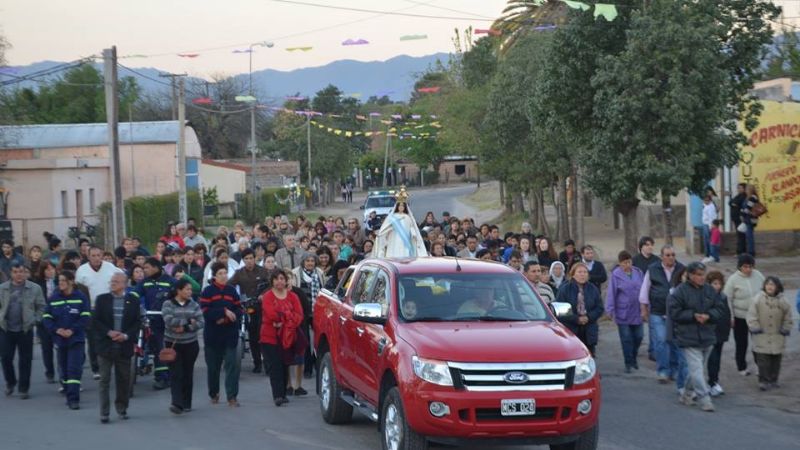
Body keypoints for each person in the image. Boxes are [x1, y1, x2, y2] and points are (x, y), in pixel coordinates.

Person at [668, 262, 723, 412]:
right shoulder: (680, 292)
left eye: (703, 274)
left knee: (696, 371)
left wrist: (709, 316)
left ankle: (686, 394)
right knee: (697, 371)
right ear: (690, 275)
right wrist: (693, 316)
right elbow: (674, 312)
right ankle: (705, 399)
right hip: (689, 337)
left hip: (707, 336)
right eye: (698, 274)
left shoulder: (710, 291)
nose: (701, 277)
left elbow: (719, 309)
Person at [92, 273, 141, 423]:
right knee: (104, 380)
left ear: (124, 284)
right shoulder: (102, 299)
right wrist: (108, 332)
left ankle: (121, 408)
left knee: (123, 379)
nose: (112, 283)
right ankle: (104, 412)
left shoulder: (133, 301)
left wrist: (126, 336)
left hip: (124, 345)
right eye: (111, 281)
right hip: (106, 345)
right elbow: (95, 321)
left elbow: (137, 323)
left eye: (115, 281)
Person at [43, 270, 91, 409]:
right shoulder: (54, 298)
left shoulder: (80, 297)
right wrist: (57, 330)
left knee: (73, 369)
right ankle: (66, 387)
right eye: (59, 281)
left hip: (76, 340)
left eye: (63, 280)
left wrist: (72, 330)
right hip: (60, 340)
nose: (61, 283)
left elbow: (86, 316)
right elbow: (46, 317)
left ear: (71, 281)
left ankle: (73, 399)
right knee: (63, 369)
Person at [639, 245, 685, 383]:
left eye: (673, 255)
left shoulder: (682, 269)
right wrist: (643, 309)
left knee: (675, 342)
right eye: (668, 255)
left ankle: (675, 370)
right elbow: (644, 290)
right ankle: (663, 371)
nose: (671, 257)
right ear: (662, 256)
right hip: (658, 312)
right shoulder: (653, 269)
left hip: (676, 313)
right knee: (661, 340)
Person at [76, 246, 124, 379]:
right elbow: (79, 292)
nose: (96, 258)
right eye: (93, 256)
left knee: (112, 336)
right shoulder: (82, 271)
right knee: (93, 339)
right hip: (91, 308)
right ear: (88, 256)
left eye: (99, 255)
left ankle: (113, 363)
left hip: (110, 307)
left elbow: (122, 281)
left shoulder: (111, 268)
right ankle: (96, 367)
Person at [0, 263, 46, 398]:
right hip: (6, 329)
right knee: (6, 358)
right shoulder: (2, 289)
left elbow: (42, 307)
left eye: (21, 271)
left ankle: (23, 388)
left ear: (25, 273)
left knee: (25, 359)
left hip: (25, 328)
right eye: (15, 272)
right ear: (11, 273)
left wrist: (35, 320)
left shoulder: (34, 288)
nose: (19, 274)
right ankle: (11, 382)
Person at [200, 262, 242, 407]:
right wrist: (223, 311)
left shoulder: (232, 291)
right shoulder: (208, 291)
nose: (224, 276)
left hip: (230, 333)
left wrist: (228, 317)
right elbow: (205, 311)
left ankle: (232, 396)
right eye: (220, 274)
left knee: (232, 365)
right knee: (213, 367)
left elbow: (238, 309)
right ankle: (214, 392)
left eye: (225, 273)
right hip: (213, 335)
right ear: (214, 276)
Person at [260, 270, 303, 406]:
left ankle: (283, 393)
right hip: (270, 336)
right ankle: (277, 395)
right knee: (275, 365)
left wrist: (284, 320)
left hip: (287, 336)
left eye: (282, 279)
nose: (279, 281)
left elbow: (299, 315)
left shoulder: (293, 296)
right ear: (272, 281)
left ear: (286, 281)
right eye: (277, 279)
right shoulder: (267, 296)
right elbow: (271, 314)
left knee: (285, 364)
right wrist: (287, 316)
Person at [162, 278, 204, 414]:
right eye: (187, 289)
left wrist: (185, 327)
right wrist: (187, 321)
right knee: (176, 373)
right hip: (173, 344)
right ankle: (177, 403)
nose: (190, 292)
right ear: (178, 290)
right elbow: (168, 320)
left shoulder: (194, 304)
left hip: (190, 344)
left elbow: (200, 322)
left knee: (187, 373)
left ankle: (187, 403)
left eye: (191, 289)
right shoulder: (168, 304)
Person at [134, 258, 175, 390]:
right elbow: (134, 294)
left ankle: (166, 375)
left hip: (168, 320)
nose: (144, 271)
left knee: (164, 347)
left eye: (146, 268)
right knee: (157, 347)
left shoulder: (171, 281)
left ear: (156, 267)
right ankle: (160, 375)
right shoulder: (144, 283)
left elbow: (180, 296)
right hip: (151, 320)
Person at [746, 276, 793, 391]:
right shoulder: (758, 299)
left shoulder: (783, 301)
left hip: (778, 335)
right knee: (763, 360)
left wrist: (786, 328)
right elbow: (751, 315)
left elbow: (788, 317)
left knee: (776, 359)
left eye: (772, 284)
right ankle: (763, 381)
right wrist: (755, 327)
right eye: (767, 284)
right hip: (762, 335)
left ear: (777, 287)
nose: (769, 287)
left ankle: (773, 379)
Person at [228, 249, 270, 374]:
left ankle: (268, 365)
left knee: (264, 336)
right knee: (253, 336)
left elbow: (269, 285)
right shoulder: (239, 273)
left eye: (251, 258)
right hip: (248, 306)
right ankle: (257, 363)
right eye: (246, 259)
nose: (249, 261)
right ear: (243, 260)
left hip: (262, 306)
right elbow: (230, 285)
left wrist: (263, 294)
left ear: (254, 258)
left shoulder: (263, 271)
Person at [723, 253, 765, 376]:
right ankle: (742, 366)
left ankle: (760, 365)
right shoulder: (733, 279)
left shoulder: (758, 275)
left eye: (751, 266)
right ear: (740, 266)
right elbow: (727, 299)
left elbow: (765, 290)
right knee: (741, 343)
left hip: (756, 316)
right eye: (745, 267)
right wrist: (730, 317)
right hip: (740, 317)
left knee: (758, 342)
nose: (748, 269)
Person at [605, 251, 645, 373]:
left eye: (629, 262)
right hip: (623, 312)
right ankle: (629, 362)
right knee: (626, 338)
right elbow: (611, 293)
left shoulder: (638, 272)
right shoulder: (616, 275)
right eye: (624, 263)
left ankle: (633, 357)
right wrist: (609, 309)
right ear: (620, 263)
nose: (627, 265)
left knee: (639, 336)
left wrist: (646, 307)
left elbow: (644, 290)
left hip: (637, 310)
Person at [556, 263, 603, 356]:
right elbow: (559, 310)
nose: (583, 274)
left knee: (588, 356)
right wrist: (576, 319)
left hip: (589, 328)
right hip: (571, 328)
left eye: (585, 272)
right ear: (573, 274)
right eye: (580, 272)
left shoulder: (593, 289)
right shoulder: (565, 289)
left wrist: (588, 317)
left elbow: (599, 308)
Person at [374, 188, 428, 258]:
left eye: (402, 206)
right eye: (399, 205)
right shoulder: (392, 217)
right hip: (393, 240)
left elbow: (411, 227)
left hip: (406, 241)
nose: (401, 207)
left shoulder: (408, 217)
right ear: (397, 207)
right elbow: (385, 228)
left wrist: (413, 233)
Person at [705, 271, 730, 397]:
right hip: (710, 331)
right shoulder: (706, 297)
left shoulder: (723, 297)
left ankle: (714, 381)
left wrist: (727, 329)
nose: (717, 286)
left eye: (719, 283)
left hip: (721, 331)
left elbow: (726, 314)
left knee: (718, 358)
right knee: (712, 358)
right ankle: (712, 382)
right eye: (715, 283)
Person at [33, 261, 58, 383]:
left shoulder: (60, 282)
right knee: (47, 347)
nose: (50, 271)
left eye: (52, 269)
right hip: (44, 319)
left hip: (59, 319)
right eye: (47, 270)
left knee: (62, 347)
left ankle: (64, 372)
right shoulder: (38, 284)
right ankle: (50, 372)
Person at [739, 184, 761, 257]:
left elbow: (748, 208)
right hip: (747, 218)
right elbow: (743, 207)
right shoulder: (748, 197)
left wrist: (742, 213)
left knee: (749, 235)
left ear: (750, 190)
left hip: (751, 219)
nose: (746, 190)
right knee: (748, 235)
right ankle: (749, 251)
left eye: (747, 189)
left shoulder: (753, 197)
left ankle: (751, 252)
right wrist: (742, 213)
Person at [729, 183, 747, 255]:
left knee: (741, 235)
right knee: (739, 235)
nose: (738, 189)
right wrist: (733, 203)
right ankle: (740, 251)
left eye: (740, 188)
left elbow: (738, 203)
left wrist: (734, 203)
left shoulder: (744, 196)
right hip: (735, 218)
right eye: (738, 188)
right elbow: (730, 202)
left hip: (740, 218)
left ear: (744, 189)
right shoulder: (738, 196)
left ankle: (741, 251)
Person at [701, 195, 717, 262]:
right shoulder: (706, 206)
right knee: (706, 241)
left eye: (707, 200)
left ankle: (710, 255)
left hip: (708, 225)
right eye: (704, 200)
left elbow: (711, 217)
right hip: (705, 224)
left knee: (709, 241)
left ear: (710, 200)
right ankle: (707, 255)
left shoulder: (711, 207)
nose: (705, 201)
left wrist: (711, 226)